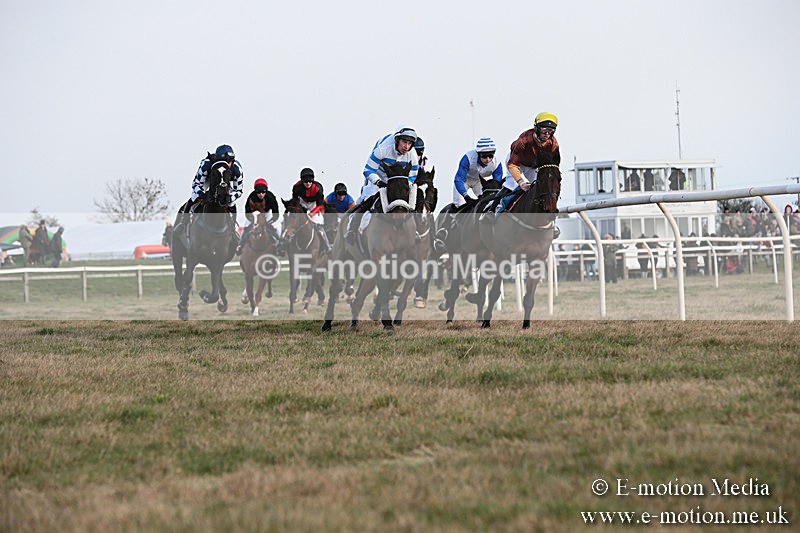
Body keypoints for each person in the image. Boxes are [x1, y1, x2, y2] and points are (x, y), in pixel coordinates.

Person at [344, 125, 420, 245]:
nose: (406, 147)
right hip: (378, 177)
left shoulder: (412, 155)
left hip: (396, 181)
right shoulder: (383, 149)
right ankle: (352, 230)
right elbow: (368, 170)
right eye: (404, 142)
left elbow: (413, 176)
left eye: (410, 143)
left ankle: (414, 230)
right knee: (369, 199)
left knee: (409, 197)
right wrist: (378, 182)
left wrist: (404, 185)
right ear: (397, 140)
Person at [483, 112, 561, 221]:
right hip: (516, 163)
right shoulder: (524, 140)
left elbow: (553, 166)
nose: (547, 133)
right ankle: (492, 210)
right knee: (511, 185)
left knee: (543, 187)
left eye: (551, 130)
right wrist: (521, 182)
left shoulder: (553, 143)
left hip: (533, 165)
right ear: (537, 128)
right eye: (544, 130)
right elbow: (512, 165)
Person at [174, 144, 243, 248]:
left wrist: (230, 198)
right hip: (207, 184)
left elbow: (238, 190)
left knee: (232, 204)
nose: (228, 164)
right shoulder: (206, 164)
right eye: (225, 161)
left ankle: (232, 230)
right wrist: (202, 194)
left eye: (230, 161)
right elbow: (196, 184)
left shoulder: (237, 169)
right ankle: (183, 223)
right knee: (193, 199)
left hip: (225, 187)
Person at [285, 168, 332, 254]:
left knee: (319, 224)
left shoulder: (318, 188)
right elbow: (295, 201)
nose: (308, 183)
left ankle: (327, 245)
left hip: (314, 204)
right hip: (302, 203)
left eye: (310, 181)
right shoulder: (296, 187)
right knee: (295, 221)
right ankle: (285, 244)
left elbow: (320, 205)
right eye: (306, 182)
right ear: (302, 181)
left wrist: (312, 213)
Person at [237, 177, 281, 255]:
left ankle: (280, 245)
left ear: (266, 191)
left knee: (276, 229)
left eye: (263, 192)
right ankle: (240, 245)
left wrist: (270, 222)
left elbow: (276, 214)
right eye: (259, 192)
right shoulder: (251, 197)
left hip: (267, 214)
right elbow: (247, 212)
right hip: (254, 215)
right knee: (246, 228)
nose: (261, 195)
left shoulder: (270, 197)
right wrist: (252, 221)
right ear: (255, 192)